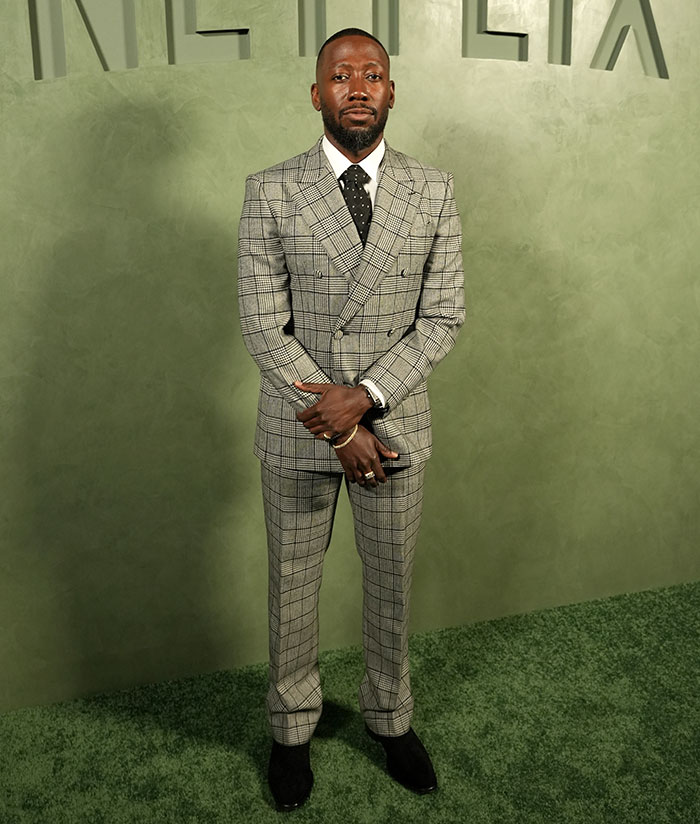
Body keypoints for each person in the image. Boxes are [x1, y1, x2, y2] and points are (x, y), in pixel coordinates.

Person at [237, 27, 465, 812]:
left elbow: (442, 316)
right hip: (299, 428)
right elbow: (265, 325)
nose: (358, 86)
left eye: (373, 74)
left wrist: (363, 398)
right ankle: (291, 729)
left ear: (392, 90)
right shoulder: (270, 189)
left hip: (394, 424)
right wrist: (336, 425)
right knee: (293, 588)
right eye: (341, 75)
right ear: (317, 93)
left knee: (392, 587)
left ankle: (390, 718)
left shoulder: (431, 189)